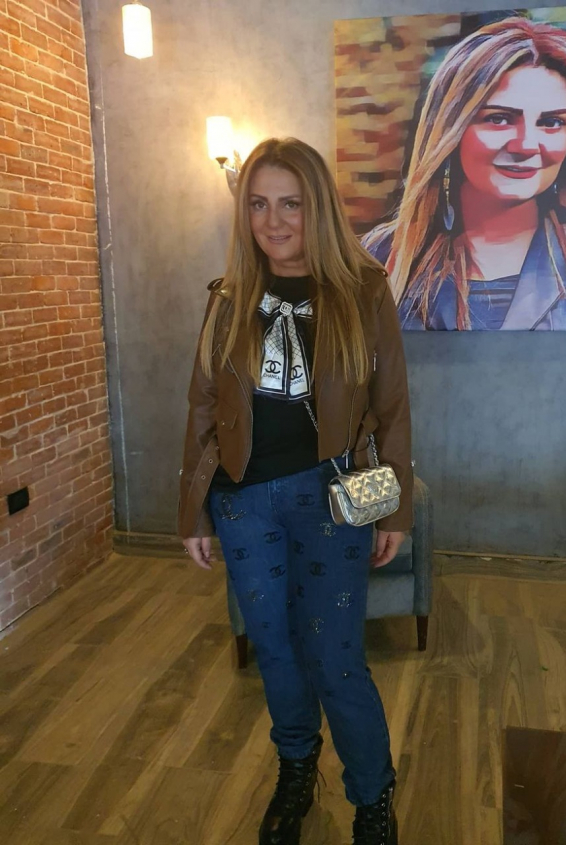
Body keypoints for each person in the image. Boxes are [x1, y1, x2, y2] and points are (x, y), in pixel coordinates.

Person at [178, 137, 412, 845]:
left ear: (319, 209)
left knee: (335, 659)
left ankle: (371, 798)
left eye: (291, 204)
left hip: (330, 498)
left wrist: (395, 508)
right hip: (243, 502)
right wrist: (193, 512)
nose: (274, 222)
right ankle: (296, 769)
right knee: (275, 652)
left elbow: (393, 407)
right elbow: (201, 408)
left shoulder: (364, 292)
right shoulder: (228, 300)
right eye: (258, 204)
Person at [362, 17, 566, 331]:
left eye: (551, 122)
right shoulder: (381, 257)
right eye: (499, 118)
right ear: (450, 129)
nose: (526, 145)